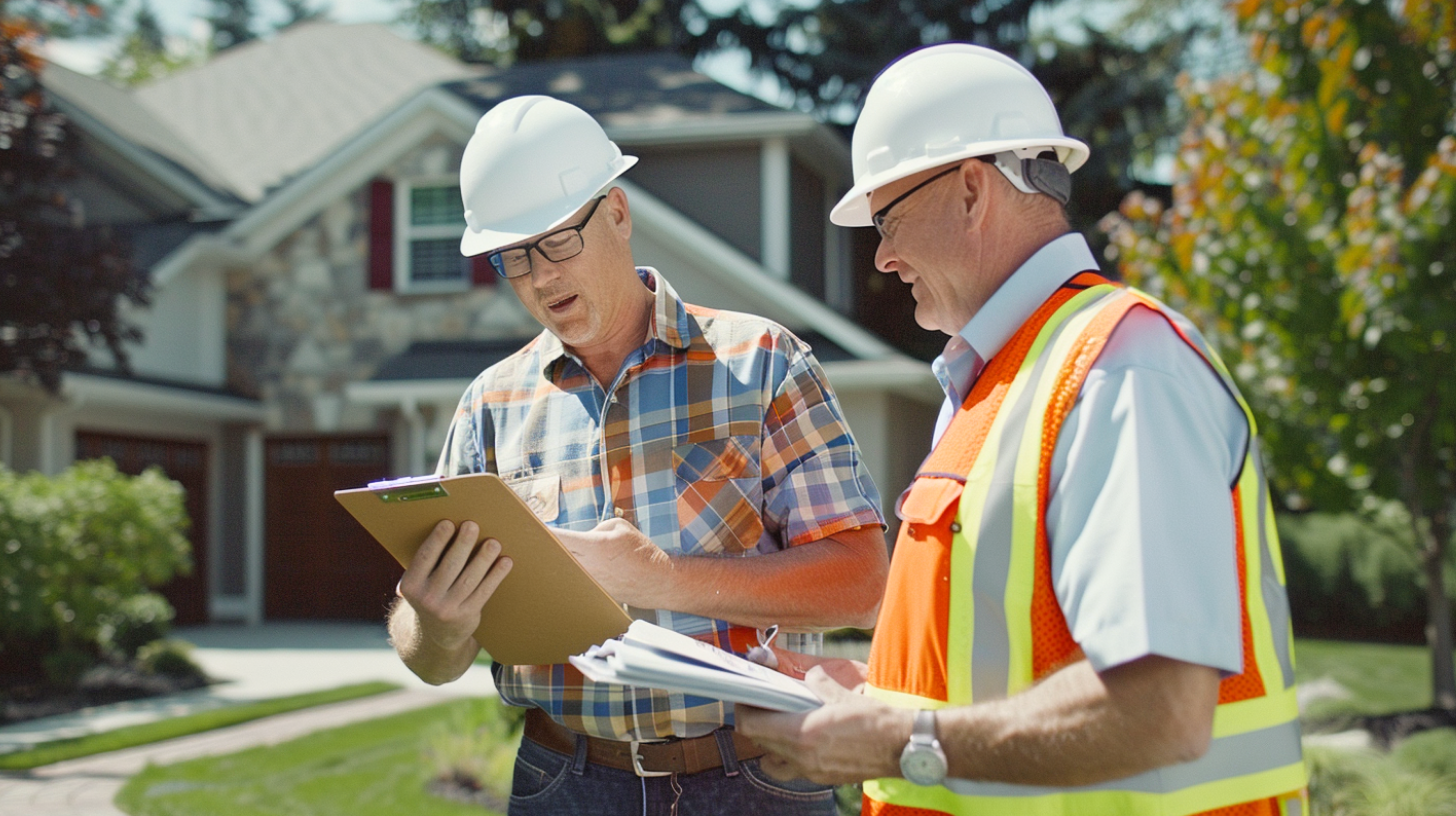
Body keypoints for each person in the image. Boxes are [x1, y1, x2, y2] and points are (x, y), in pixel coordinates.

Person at [734, 43, 1308, 816]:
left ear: (972, 189)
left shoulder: (1118, 371)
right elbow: (1009, 663)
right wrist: (880, 696)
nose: (885, 256)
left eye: (889, 217)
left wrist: (904, 738)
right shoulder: (1004, 380)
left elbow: (1160, 706)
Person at [386, 94, 890, 816]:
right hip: (563, 782)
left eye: (557, 240)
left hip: (755, 777)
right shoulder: (489, 407)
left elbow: (860, 581)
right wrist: (435, 625)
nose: (540, 276)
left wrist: (660, 579)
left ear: (617, 214)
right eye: (514, 255)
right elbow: (429, 655)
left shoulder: (763, 362)